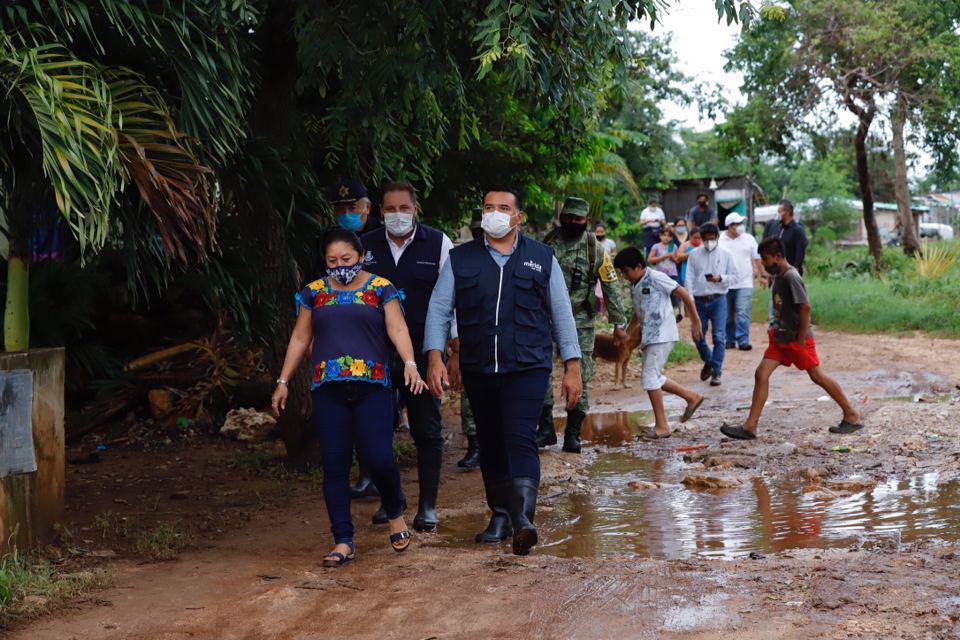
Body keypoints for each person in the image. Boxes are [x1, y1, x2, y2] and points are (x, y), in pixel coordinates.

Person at [424, 187, 582, 556]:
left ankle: (523, 519)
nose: (493, 213)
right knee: (490, 440)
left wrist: (572, 367)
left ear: (518, 217)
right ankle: (500, 515)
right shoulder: (461, 259)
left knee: (520, 436)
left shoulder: (542, 258)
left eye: (503, 208)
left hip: (527, 365)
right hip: (480, 366)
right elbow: (439, 308)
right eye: (488, 207)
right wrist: (435, 356)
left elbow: (561, 314)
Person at [271, 229, 426, 566]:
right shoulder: (313, 293)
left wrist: (410, 364)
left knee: (379, 456)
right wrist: (283, 380)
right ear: (324, 262)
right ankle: (342, 539)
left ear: (360, 256)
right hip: (328, 389)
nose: (339, 266)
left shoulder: (380, 289)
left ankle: (395, 512)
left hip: (372, 387)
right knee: (335, 465)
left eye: (346, 259)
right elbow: (300, 337)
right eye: (332, 261)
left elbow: (398, 328)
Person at [361, 181, 454, 532]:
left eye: (404, 208)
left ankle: (428, 506)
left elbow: (450, 301)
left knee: (427, 430)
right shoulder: (365, 247)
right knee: (376, 429)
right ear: (378, 211)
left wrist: (447, 352)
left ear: (415, 209)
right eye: (389, 209)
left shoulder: (438, 243)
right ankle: (391, 502)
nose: (397, 215)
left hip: (423, 351)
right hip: (374, 355)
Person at [719, 238, 863, 440]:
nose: (764, 264)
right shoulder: (779, 276)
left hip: (796, 339)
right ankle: (750, 426)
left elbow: (805, 307)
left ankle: (852, 415)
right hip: (781, 338)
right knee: (761, 374)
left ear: (778, 257)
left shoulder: (791, 277)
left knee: (817, 376)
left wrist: (801, 338)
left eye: (766, 259)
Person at [537, 197, 628, 453]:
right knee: (541, 370)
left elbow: (611, 285)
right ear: (562, 216)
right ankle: (545, 429)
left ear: (586, 220)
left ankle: (573, 433)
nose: (572, 222)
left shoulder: (594, 248)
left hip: (580, 320)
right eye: (569, 217)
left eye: (578, 219)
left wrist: (618, 323)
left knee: (581, 377)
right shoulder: (546, 242)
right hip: (545, 318)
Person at [614, 247, 705, 438]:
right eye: (622, 272)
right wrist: (628, 333)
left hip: (663, 333)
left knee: (649, 378)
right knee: (654, 377)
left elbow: (683, 294)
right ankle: (691, 397)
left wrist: (695, 320)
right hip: (650, 336)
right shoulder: (635, 285)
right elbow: (637, 313)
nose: (624, 276)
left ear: (639, 266)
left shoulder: (655, 277)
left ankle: (662, 426)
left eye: (626, 271)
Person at [684, 223, 737, 387]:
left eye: (711, 239)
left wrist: (720, 278)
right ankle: (710, 360)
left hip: (718, 298)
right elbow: (689, 279)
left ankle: (716, 372)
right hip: (699, 300)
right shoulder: (694, 254)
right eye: (705, 239)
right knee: (697, 335)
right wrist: (689, 302)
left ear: (717, 238)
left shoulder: (726, 254)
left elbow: (735, 276)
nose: (708, 242)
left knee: (719, 336)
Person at [453, 207, 485, 470]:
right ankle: (475, 446)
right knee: (468, 397)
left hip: (502, 336)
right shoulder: (460, 258)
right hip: (469, 335)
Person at [719, 213, 761, 351]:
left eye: (741, 223)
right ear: (730, 226)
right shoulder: (720, 239)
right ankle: (729, 339)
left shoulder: (749, 239)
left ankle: (743, 340)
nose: (740, 226)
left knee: (742, 311)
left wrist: (762, 274)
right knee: (727, 314)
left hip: (745, 282)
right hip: (725, 282)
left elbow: (756, 258)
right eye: (737, 224)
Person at [647, 226, 682, 319]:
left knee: (674, 293)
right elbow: (650, 259)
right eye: (664, 235)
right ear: (660, 236)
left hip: (672, 273)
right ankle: (660, 312)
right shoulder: (656, 246)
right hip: (660, 274)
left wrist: (672, 257)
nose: (666, 237)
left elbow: (677, 260)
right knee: (660, 293)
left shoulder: (673, 246)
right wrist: (665, 256)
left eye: (668, 236)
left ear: (671, 237)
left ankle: (676, 312)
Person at [773, 199, 808, 275]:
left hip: (791, 270)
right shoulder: (780, 229)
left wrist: (796, 267)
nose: (778, 214)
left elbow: (800, 251)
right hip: (779, 269)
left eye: (780, 211)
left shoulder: (797, 230)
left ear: (787, 212)